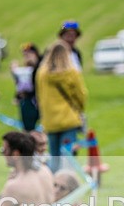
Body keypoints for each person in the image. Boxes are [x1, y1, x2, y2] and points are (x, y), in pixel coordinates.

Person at [36, 40, 87, 172]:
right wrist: (80, 109)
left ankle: (53, 180)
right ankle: (67, 180)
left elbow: (39, 96)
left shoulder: (42, 74)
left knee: (54, 156)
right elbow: (81, 94)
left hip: (50, 120)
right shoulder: (72, 73)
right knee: (67, 156)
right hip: (68, 118)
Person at [11, 42, 42, 131]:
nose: (27, 57)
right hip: (28, 100)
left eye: (28, 55)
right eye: (25, 55)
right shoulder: (24, 70)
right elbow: (21, 85)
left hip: (42, 99)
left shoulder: (42, 67)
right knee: (28, 128)